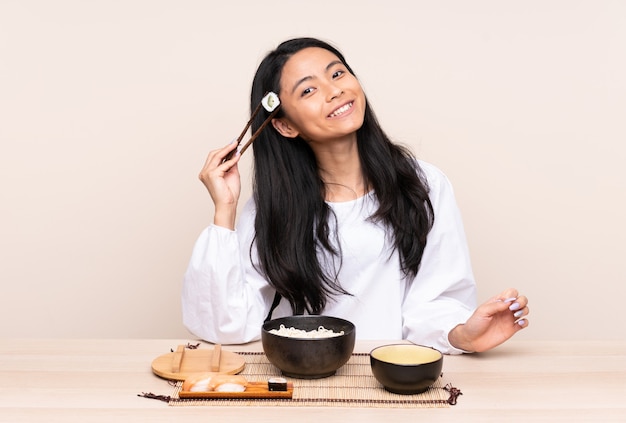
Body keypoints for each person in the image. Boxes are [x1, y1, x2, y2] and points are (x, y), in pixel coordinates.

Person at [182, 37, 529, 354]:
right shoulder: (274, 207)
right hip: (302, 379)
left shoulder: (424, 185)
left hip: (392, 379)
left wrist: (462, 335)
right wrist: (224, 210)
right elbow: (225, 325)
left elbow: (435, 301)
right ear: (285, 125)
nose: (334, 91)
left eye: (338, 73)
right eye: (308, 91)